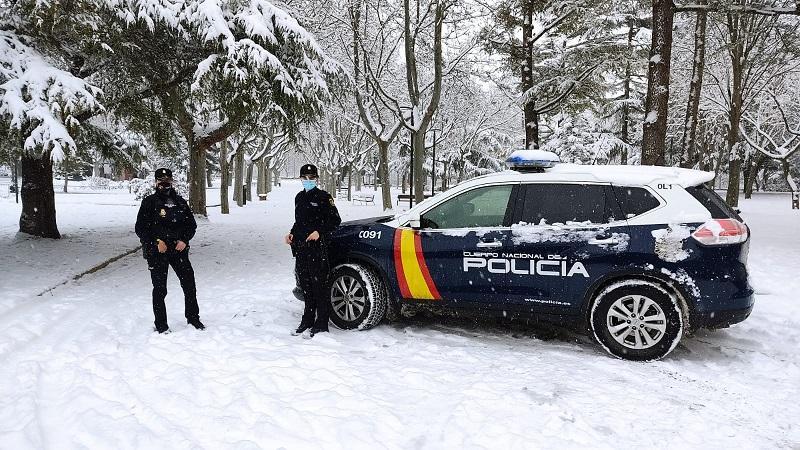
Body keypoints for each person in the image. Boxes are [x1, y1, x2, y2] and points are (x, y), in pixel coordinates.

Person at [135, 168, 204, 333]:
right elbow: (140, 228)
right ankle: (161, 325)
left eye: (167, 180)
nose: (164, 183)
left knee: (189, 285)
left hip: (178, 250)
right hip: (157, 252)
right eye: (161, 180)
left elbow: (191, 225)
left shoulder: (180, 202)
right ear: (156, 182)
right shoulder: (149, 202)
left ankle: (193, 318)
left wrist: (184, 240)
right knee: (160, 289)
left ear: (172, 181)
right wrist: (156, 242)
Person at [285, 164, 341, 338]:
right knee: (306, 286)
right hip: (301, 249)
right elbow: (299, 222)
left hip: (318, 249)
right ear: (300, 179)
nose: (308, 180)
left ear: (316, 179)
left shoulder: (324, 197)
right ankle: (307, 319)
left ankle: (322, 322)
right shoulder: (299, 197)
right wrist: (292, 234)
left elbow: (335, 220)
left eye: (311, 178)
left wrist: (319, 232)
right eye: (304, 178)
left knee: (319, 287)